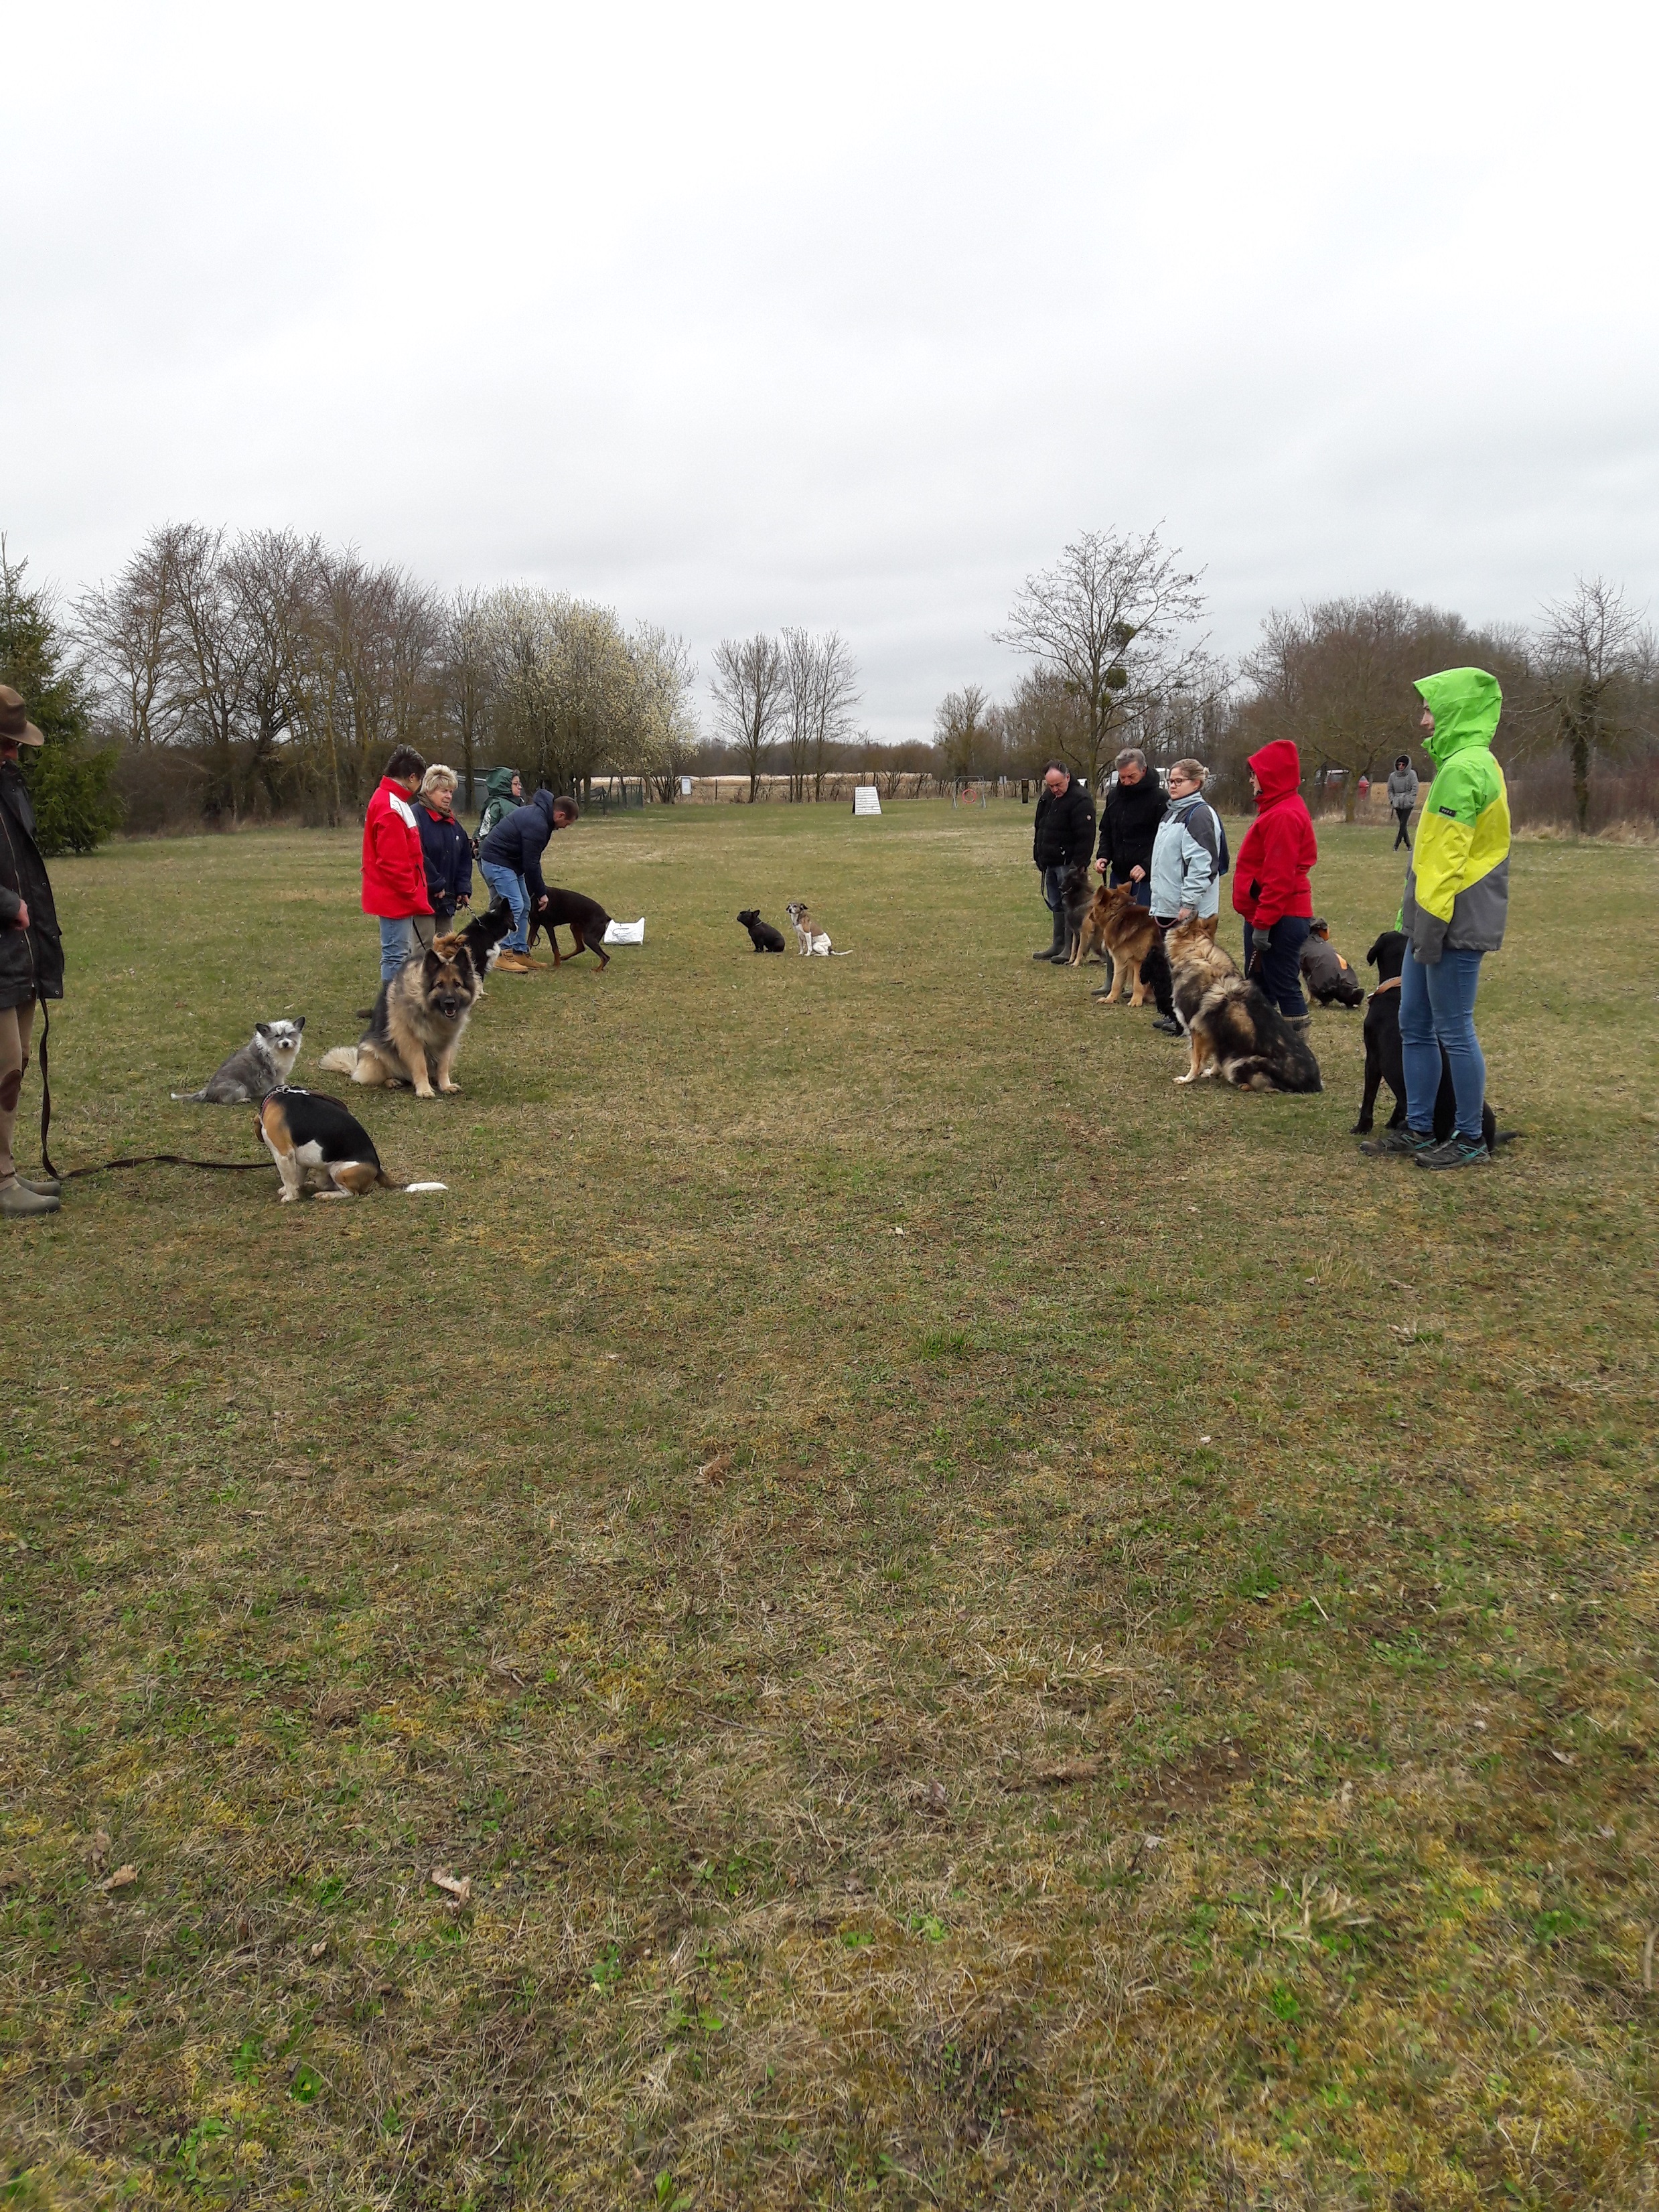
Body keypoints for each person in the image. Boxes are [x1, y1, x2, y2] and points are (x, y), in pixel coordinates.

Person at [1363, 668, 1510, 1170]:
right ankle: (1420, 1126)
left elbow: (1447, 859)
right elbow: (1429, 858)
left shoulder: (1465, 768)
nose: (1422, 718)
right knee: (1413, 1022)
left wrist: (1428, 927)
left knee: (1453, 1027)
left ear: (1453, 711)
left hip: (1453, 919)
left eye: (1429, 708)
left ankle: (1469, 1137)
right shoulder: (1458, 763)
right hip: (1430, 916)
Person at [0, 686, 64, 1218]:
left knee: (16, 1060)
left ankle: (6, 1170)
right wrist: (7, 905)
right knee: (2, 1065)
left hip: (16, 951)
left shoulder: (8, 784)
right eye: (7, 742)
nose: (16, 752)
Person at [1232, 739, 1317, 1026]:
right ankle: (1264, 1053)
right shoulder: (1277, 808)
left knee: (1283, 985)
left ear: (1271, 775)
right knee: (1259, 987)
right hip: (1268, 914)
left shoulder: (1284, 815)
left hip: (1280, 916)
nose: (1251, 779)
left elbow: (1279, 877)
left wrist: (1264, 923)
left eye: (1255, 773)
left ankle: (1296, 1057)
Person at [1141, 757, 1228, 1029]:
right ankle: (1180, 1018)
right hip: (1169, 905)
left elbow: (1203, 865)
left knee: (1193, 971)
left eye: (1179, 781)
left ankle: (1195, 1023)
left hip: (1191, 911)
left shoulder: (1199, 814)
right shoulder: (1172, 813)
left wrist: (1188, 904)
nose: (1172, 786)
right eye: (1171, 781)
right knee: (1177, 969)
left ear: (1197, 783)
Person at [479, 787, 580, 971]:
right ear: (560, 815)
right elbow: (531, 863)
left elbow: (530, 861)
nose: (566, 827)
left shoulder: (543, 817)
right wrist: (542, 893)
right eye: (568, 823)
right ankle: (503, 953)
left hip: (511, 862)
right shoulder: (538, 824)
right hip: (497, 860)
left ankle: (519, 952)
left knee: (525, 904)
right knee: (515, 905)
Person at [361, 744, 432, 981]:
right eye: (420, 780)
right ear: (412, 777)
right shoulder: (389, 807)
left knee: (399, 952)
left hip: (398, 894)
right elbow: (393, 862)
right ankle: (391, 1009)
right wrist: (411, 893)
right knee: (396, 954)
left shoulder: (395, 801)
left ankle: (394, 1005)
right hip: (395, 896)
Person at [1029, 760, 1096, 962]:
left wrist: (1078, 866)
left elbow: (1086, 836)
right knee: (1056, 903)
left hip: (1069, 864)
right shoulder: (1048, 798)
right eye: (1050, 786)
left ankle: (1071, 948)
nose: (1055, 789)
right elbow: (1040, 827)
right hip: (1050, 861)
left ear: (1068, 777)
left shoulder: (1081, 799)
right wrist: (1038, 854)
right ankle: (1058, 943)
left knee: (1072, 907)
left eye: (1058, 785)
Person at [1093, 747, 1167, 909]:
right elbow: (1107, 830)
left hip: (1146, 879)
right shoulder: (1114, 797)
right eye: (1122, 777)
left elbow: (1165, 841)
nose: (1126, 782)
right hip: (1118, 875)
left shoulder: (1160, 799)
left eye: (1131, 777)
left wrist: (1146, 865)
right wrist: (1104, 856)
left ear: (1144, 770)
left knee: (1141, 930)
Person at [413, 765, 473, 945]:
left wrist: (462, 887)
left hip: (447, 898)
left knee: (447, 946)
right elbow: (417, 855)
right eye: (443, 791)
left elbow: (464, 856)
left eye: (451, 792)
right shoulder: (415, 816)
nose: (449, 796)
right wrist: (435, 884)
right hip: (423, 895)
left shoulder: (452, 822)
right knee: (425, 946)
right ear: (429, 791)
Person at [1299, 917, 1364, 1008]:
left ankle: (1326, 998)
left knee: (1322, 980)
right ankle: (1349, 995)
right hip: (1343, 976)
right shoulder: (1321, 943)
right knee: (1335, 984)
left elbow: (1306, 972)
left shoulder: (1304, 947)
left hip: (1323, 983)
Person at [476, 765, 521, 848]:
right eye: (515, 784)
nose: (520, 787)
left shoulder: (515, 804)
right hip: (496, 855)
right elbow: (486, 832)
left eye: (519, 784)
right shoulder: (497, 805)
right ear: (505, 785)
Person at [1387, 754, 1419, 849]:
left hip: (1408, 802)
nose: (1401, 767)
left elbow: (1415, 787)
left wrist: (1411, 799)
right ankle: (1408, 845)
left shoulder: (1412, 774)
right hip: (1397, 802)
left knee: (1403, 823)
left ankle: (1396, 844)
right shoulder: (1392, 776)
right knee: (1402, 824)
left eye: (1403, 765)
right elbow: (1390, 789)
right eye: (1399, 764)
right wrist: (1393, 800)